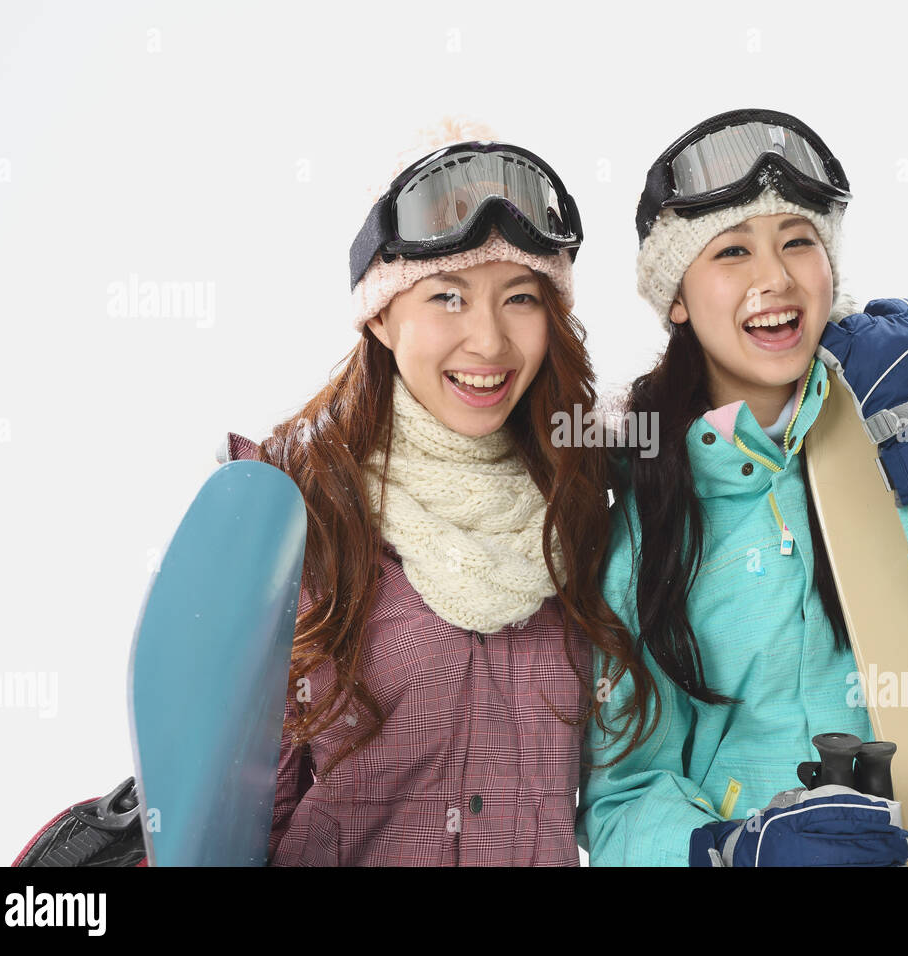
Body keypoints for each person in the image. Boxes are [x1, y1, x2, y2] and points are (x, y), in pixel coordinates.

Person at [576, 108, 908, 866]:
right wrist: (729, 852)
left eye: (798, 242)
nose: (775, 278)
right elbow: (621, 795)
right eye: (731, 252)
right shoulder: (646, 501)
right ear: (678, 299)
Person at [217, 121, 640, 865]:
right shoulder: (293, 514)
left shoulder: (587, 501)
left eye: (520, 299)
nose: (488, 342)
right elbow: (231, 818)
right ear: (380, 315)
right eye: (447, 296)